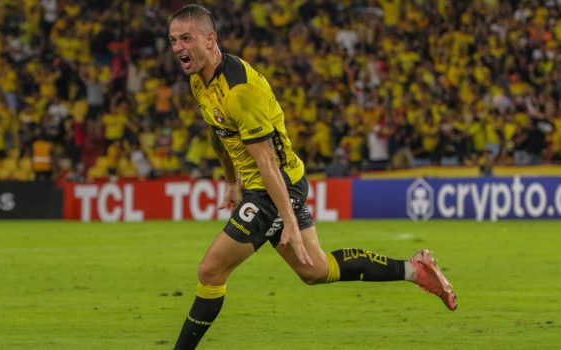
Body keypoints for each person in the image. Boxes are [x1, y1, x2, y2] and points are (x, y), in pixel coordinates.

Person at [168, 5, 457, 350]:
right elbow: (219, 133)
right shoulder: (200, 80)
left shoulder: (240, 91)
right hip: (266, 186)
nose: (178, 47)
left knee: (210, 271)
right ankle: (415, 269)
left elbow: (269, 164)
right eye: (173, 40)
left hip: (275, 187)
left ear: (210, 39)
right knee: (315, 271)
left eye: (186, 38)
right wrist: (231, 180)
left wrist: (287, 218)